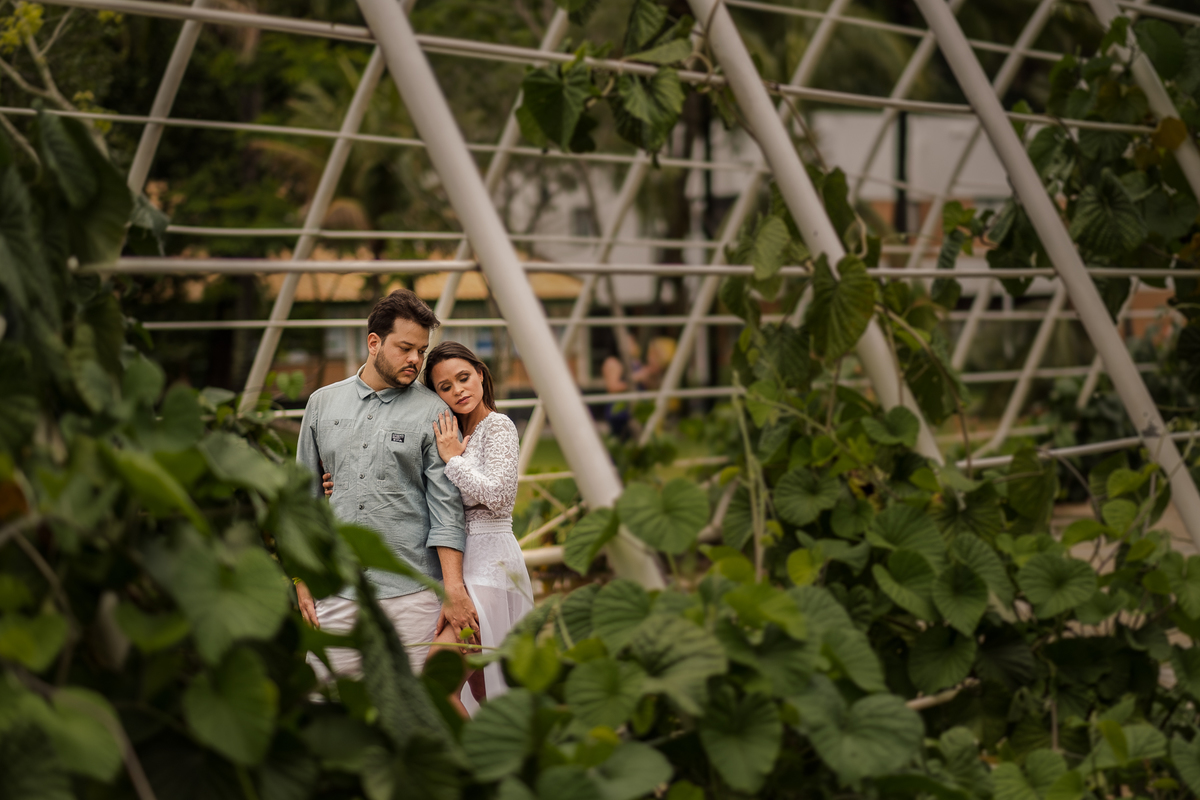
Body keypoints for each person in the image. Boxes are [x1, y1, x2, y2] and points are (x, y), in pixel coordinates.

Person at [324, 340, 532, 717]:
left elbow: (499, 496)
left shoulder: (497, 427)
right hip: (457, 569)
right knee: (482, 691)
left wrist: (454, 459)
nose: (459, 391)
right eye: (445, 387)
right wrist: (340, 484)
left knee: (438, 687)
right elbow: (421, 493)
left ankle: (475, 774)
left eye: (464, 378)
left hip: (488, 568)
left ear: (482, 374)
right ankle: (498, 764)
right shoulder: (449, 432)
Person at [294, 289, 476, 678]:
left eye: (421, 351)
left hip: (412, 595)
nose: (415, 359)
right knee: (327, 709)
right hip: (336, 592)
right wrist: (301, 577)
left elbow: (446, 511)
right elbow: (303, 499)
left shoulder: (434, 411)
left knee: (410, 717)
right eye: (405, 348)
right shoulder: (321, 404)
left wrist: (453, 590)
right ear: (374, 342)